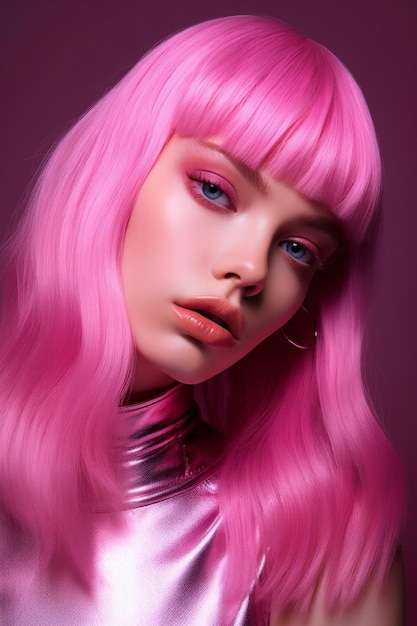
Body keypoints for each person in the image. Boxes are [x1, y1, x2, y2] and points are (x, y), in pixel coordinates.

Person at [0, 15, 405, 625]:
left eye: (299, 248)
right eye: (215, 190)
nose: (250, 269)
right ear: (119, 175)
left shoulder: (320, 543)